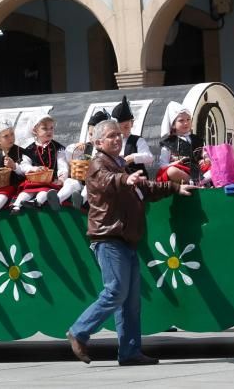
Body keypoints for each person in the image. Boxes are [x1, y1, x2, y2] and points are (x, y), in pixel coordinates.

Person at [67, 119, 197, 366]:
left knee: (130, 300)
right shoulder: (98, 164)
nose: (117, 139)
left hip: (126, 238)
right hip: (108, 237)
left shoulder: (118, 164)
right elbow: (106, 181)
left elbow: (143, 188)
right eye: (111, 136)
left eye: (118, 135)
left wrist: (173, 187)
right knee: (115, 291)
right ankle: (79, 331)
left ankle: (129, 352)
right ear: (98, 142)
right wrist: (124, 180)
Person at [14, 113, 81, 212]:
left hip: (51, 181)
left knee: (45, 191)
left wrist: (61, 179)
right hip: (35, 180)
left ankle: (37, 202)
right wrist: (34, 169)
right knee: (26, 192)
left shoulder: (58, 148)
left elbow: (62, 165)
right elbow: (24, 165)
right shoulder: (29, 149)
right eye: (45, 128)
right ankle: (16, 206)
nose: (49, 131)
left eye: (51, 128)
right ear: (34, 130)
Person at [156, 103, 211, 185]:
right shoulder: (168, 143)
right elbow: (163, 164)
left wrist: (206, 160)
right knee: (171, 171)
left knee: (217, 166)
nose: (186, 123)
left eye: (188, 119)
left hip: (198, 169)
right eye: (181, 120)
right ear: (173, 124)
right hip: (181, 170)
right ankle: (195, 182)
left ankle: (199, 182)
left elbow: (205, 154)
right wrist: (176, 163)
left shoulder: (197, 139)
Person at [111, 96, 154, 170]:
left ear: (132, 123)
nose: (122, 131)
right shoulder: (111, 141)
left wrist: (132, 157)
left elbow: (149, 157)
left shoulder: (138, 140)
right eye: (119, 128)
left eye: (126, 126)